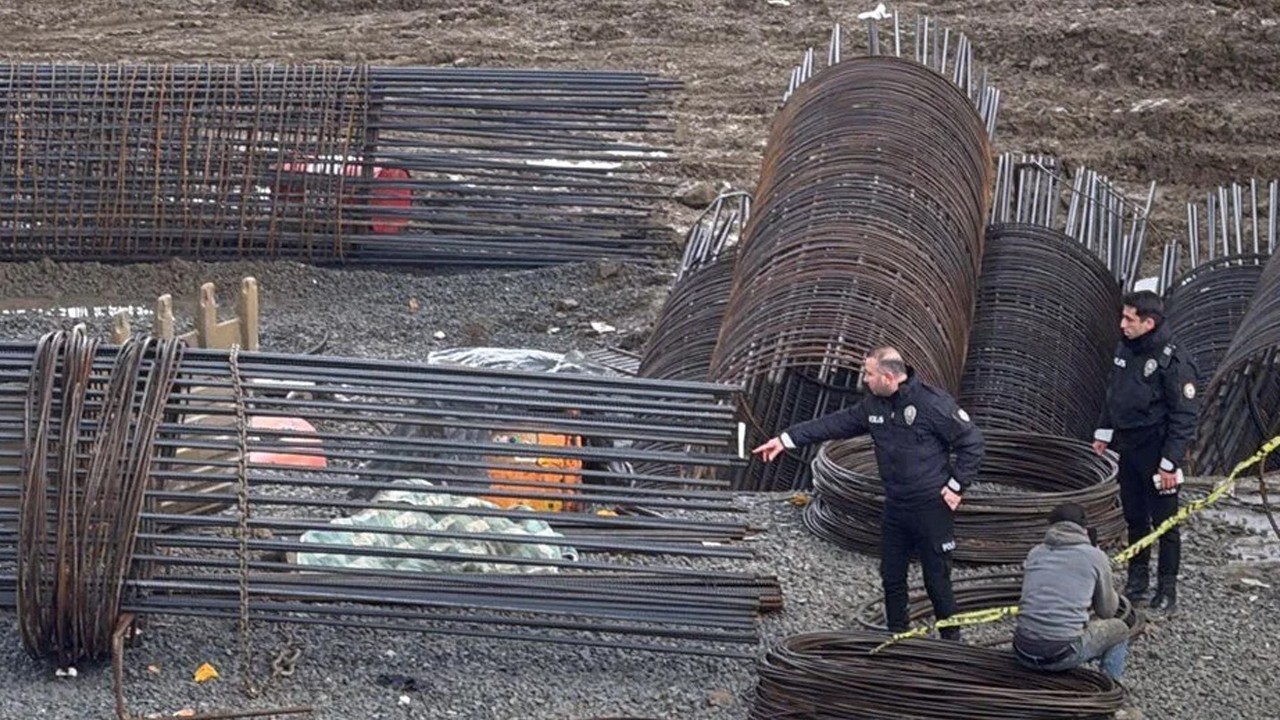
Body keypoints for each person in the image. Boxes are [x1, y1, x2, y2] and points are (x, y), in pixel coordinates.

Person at [753, 346, 984, 639]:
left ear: (888, 377)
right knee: (891, 576)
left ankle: (951, 642)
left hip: (931, 507)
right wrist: (786, 440)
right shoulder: (873, 406)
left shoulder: (933, 404)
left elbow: (972, 443)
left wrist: (956, 486)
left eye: (869, 374)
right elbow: (833, 423)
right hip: (896, 507)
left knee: (937, 579)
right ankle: (897, 636)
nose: (865, 379)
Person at [1092, 290, 1198, 612]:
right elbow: (1116, 392)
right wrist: (1103, 433)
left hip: (1157, 449)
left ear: (1148, 323)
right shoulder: (1127, 347)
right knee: (1135, 517)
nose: (1122, 324)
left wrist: (1169, 463)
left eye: (1129, 319)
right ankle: (1137, 582)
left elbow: (1184, 416)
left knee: (1165, 523)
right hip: (1129, 446)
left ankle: (1167, 589)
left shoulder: (1174, 361)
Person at [1013, 503, 1129, 681]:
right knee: (1119, 629)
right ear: (1084, 528)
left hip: (1022, 650)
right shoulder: (1095, 557)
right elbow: (1107, 611)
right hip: (1061, 654)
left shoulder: (1035, 553)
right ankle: (1111, 687)